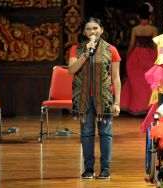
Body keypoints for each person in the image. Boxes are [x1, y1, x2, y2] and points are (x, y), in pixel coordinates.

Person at [68, 17, 121, 179]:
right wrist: (85, 53)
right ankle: (88, 168)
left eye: (96, 28)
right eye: (89, 29)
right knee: (87, 133)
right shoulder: (76, 49)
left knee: (106, 134)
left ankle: (105, 168)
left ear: (102, 30)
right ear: (84, 32)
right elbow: (71, 69)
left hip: (104, 98)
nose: (93, 31)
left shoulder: (111, 49)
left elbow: (116, 77)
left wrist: (117, 102)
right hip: (83, 98)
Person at [120, 2, 157, 115]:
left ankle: (136, 107)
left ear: (138, 16)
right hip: (149, 55)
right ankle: (148, 106)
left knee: (136, 82)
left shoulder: (135, 29)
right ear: (149, 16)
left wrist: (128, 55)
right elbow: (155, 45)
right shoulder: (153, 29)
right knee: (148, 83)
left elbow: (131, 45)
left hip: (136, 56)